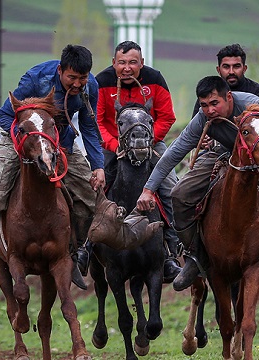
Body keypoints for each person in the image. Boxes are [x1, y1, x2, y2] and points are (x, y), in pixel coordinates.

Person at [137, 76, 259, 291]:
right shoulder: (202, 119)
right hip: (222, 154)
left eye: (214, 103)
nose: (209, 110)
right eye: (204, 105)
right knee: (179, 195)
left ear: (228, 97)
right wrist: (148, 189)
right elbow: (174, 153)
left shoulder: (250, 105)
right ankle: (195, 254)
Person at [0, 45, 105, 290]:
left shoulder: (90, 86)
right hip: (20, 135)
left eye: (82, 78)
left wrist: (98, 166)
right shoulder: (35, 79)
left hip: (59, 140)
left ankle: (76, 252)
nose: (77, 84)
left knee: (91, 197)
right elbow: (4, 115)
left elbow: (89, 128)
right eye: (72, 78)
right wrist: (25, 138)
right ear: (60, 70)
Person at [81, 40, 182, 283]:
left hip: (150, 143)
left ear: (141, 63)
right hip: (112, 145)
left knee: (172, 188)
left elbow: (167, 116)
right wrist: (116, 145)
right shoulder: (100, 82)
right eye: (122, 63)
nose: (127, 68)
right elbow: (96, 121)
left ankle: (172, 249)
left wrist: (145, 141)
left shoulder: (155, 79)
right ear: (114, 63)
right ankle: (84, 248)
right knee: (90, 189)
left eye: (133, 63)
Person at [192, 43, 259, 117]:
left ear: (244, 69)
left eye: (236, 66)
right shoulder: (208, 94)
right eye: (226, 67)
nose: (231, 72)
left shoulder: (258, 92)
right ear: (218, 70)